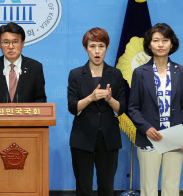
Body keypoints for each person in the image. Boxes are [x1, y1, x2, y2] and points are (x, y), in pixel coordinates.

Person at [67, 27, 125, 196]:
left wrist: (109, 99)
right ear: (86, 48)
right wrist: (90, 98)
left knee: (106, 187)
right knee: (83, 188)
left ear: (107, 47)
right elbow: (72, 107)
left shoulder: (115, 74)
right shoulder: (76, 74)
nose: (97, 51)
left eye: (101, 46)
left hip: (108, 138)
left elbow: (122, 108)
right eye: (92, 46)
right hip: (82, 137)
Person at [128, 23, 182, 196]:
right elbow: (133, 108)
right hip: (149, 137)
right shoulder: (139, 72)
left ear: (171, 44)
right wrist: (146, 128)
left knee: (171, 188)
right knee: (148, 188)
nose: (160, 45)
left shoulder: (180, 72)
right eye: (156, 40)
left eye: (165, 40)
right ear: (149, 44)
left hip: (175, 138)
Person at [0, 22, 46, 103]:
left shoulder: (35, 67)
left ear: (22, 43)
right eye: (6, 42)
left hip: (25, 115)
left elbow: (40, 100)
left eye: (15, 42)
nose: (11, 46)